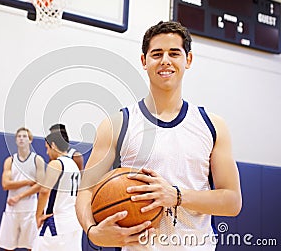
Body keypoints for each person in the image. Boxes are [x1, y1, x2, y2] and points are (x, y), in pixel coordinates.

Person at [75, 21, 242, 250]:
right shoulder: (117, 124)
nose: (165, 60)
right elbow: (86, 190)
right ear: (144, 61)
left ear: (188, 60)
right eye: (156, 54)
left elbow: (232, 202)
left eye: (174, 53)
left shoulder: (212, 125)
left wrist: (176, 195)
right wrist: (92, 232)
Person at [0, 127, 45, 251]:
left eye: (25, 136)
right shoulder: (10, 160)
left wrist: (19, 196)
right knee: (8, 246)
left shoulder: (37, 160)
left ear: (30, 140)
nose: (22, 139)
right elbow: (5, 184)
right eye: (19, 136)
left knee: (32, 246)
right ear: (16, 140)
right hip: (12, 209)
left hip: (30, 209)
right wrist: (28, 182)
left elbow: (40, 185)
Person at [33, 131, 82, 251]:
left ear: (53, 145)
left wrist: (38, 215)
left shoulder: (56, 164)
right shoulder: (74, 165)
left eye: (47, 148)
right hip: (74, 222)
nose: (47, 152)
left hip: (57, 222)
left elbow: (44, 191)